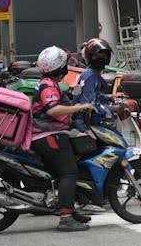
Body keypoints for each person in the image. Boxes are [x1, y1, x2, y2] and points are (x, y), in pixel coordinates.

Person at [31, 46, 94, 232]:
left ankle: (71, 209)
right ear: (58, 67)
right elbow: (53, 110)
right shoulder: (48, 86)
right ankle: (66, 218)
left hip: (50, 133)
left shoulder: (49, 82)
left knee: (68, 168)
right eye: (65, 63)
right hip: (47, 135)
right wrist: (79, 108)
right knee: (69, 172)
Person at [73, 37, 115, 123]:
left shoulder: (93, 74)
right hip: (87, 122)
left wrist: (109, 97)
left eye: (104, 55)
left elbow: (95, 95)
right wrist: (112, 109)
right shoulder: (90, 76)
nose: (102, 58)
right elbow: (88, 105)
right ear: (90, 56)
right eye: (98, 56)